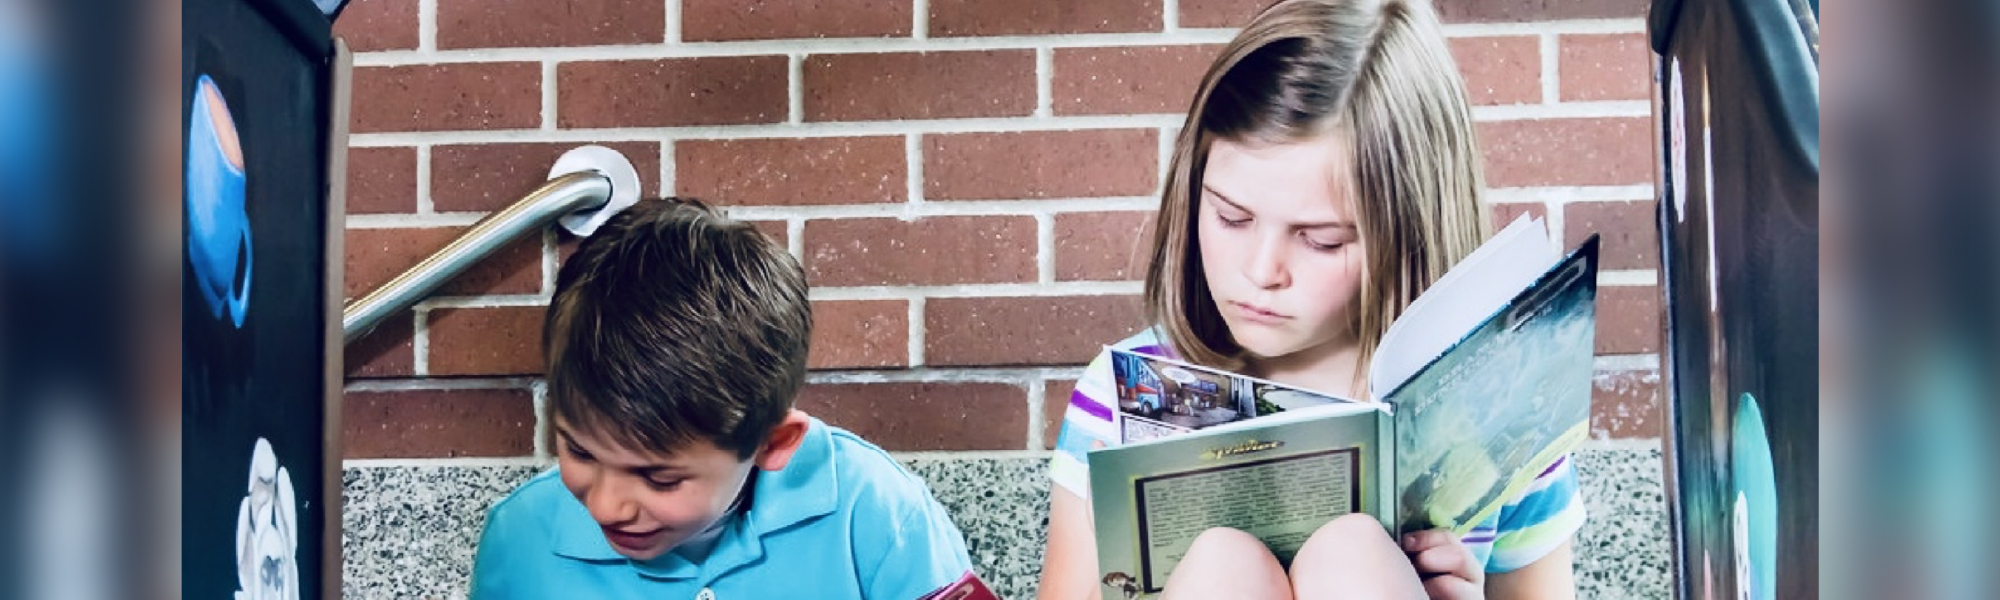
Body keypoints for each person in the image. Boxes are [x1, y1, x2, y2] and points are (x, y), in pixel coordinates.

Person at [1034, 1, 1585, 599]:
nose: (1261, 271)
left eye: (1321, 241)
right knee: (1221, 566)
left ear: (1408, 232)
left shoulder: (1500, 411)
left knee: (1354, 555)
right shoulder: (1115, 397)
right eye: (1231, 216)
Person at [471, 198, 974, 599]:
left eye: (659, 477)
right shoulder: (519, 540)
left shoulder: (877, 511)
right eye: (579, 451)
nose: (606, 506)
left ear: (773, 442)